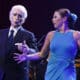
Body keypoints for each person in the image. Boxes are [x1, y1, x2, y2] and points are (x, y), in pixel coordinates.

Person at [14, 8, 80, 80]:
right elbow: (42, 54)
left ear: (64, 19)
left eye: (55, 17)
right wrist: (27, 57)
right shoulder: (51, 35)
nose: (52, 19)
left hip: (67, 74)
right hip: (51, 73)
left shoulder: (76, 34)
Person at [0, 5, 37, 80]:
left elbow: (36, 52)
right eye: (14, 14)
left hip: (18, 76)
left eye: (20, 16)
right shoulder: (1, 33)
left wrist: (28, 50)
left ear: (24, 19)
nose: (17, 18)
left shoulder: (29, 35)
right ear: (10, 16)